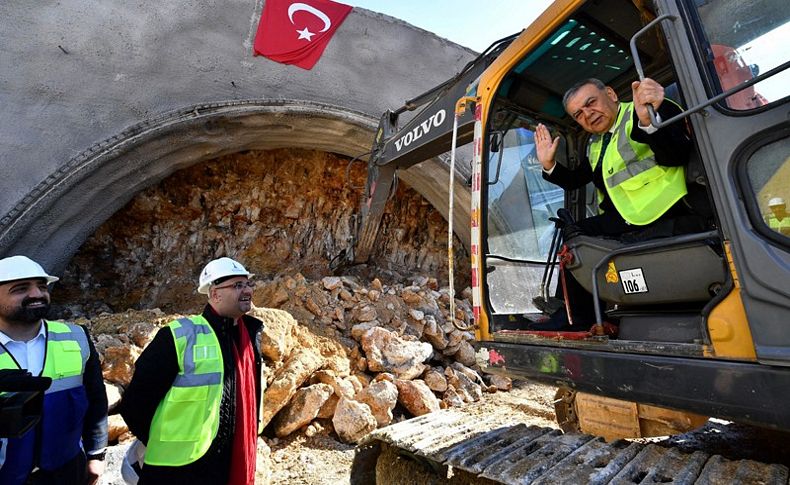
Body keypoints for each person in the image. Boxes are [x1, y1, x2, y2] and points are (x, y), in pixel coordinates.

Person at [533, 78, 704, 328]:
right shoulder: (596, 143)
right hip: (626, 215)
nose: (588, 115)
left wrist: (649, 122)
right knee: (576, 235)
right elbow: (575, 180)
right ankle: (576, 312)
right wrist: (549, 165)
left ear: (611, 94)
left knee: (577, 242)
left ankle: (576, 318)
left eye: (591, 103)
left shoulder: (643, 111)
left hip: (662, 209)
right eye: (578, 114)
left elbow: (675, 153)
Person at [120, 257, 263, 485]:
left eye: (248, 284)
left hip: (225, 465)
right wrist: (161, 442)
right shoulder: (180, 336)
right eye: (237, 285)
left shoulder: (251, 337)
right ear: (215, 293)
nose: (247, 290)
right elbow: (135, 403)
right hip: (177, 470)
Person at [0, 255, 108, 485]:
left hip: (66, 468)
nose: (37, 294)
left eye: (42, 286)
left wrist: (96, 453)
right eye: (20, 288)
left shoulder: (76, 337)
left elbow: (95, 399)